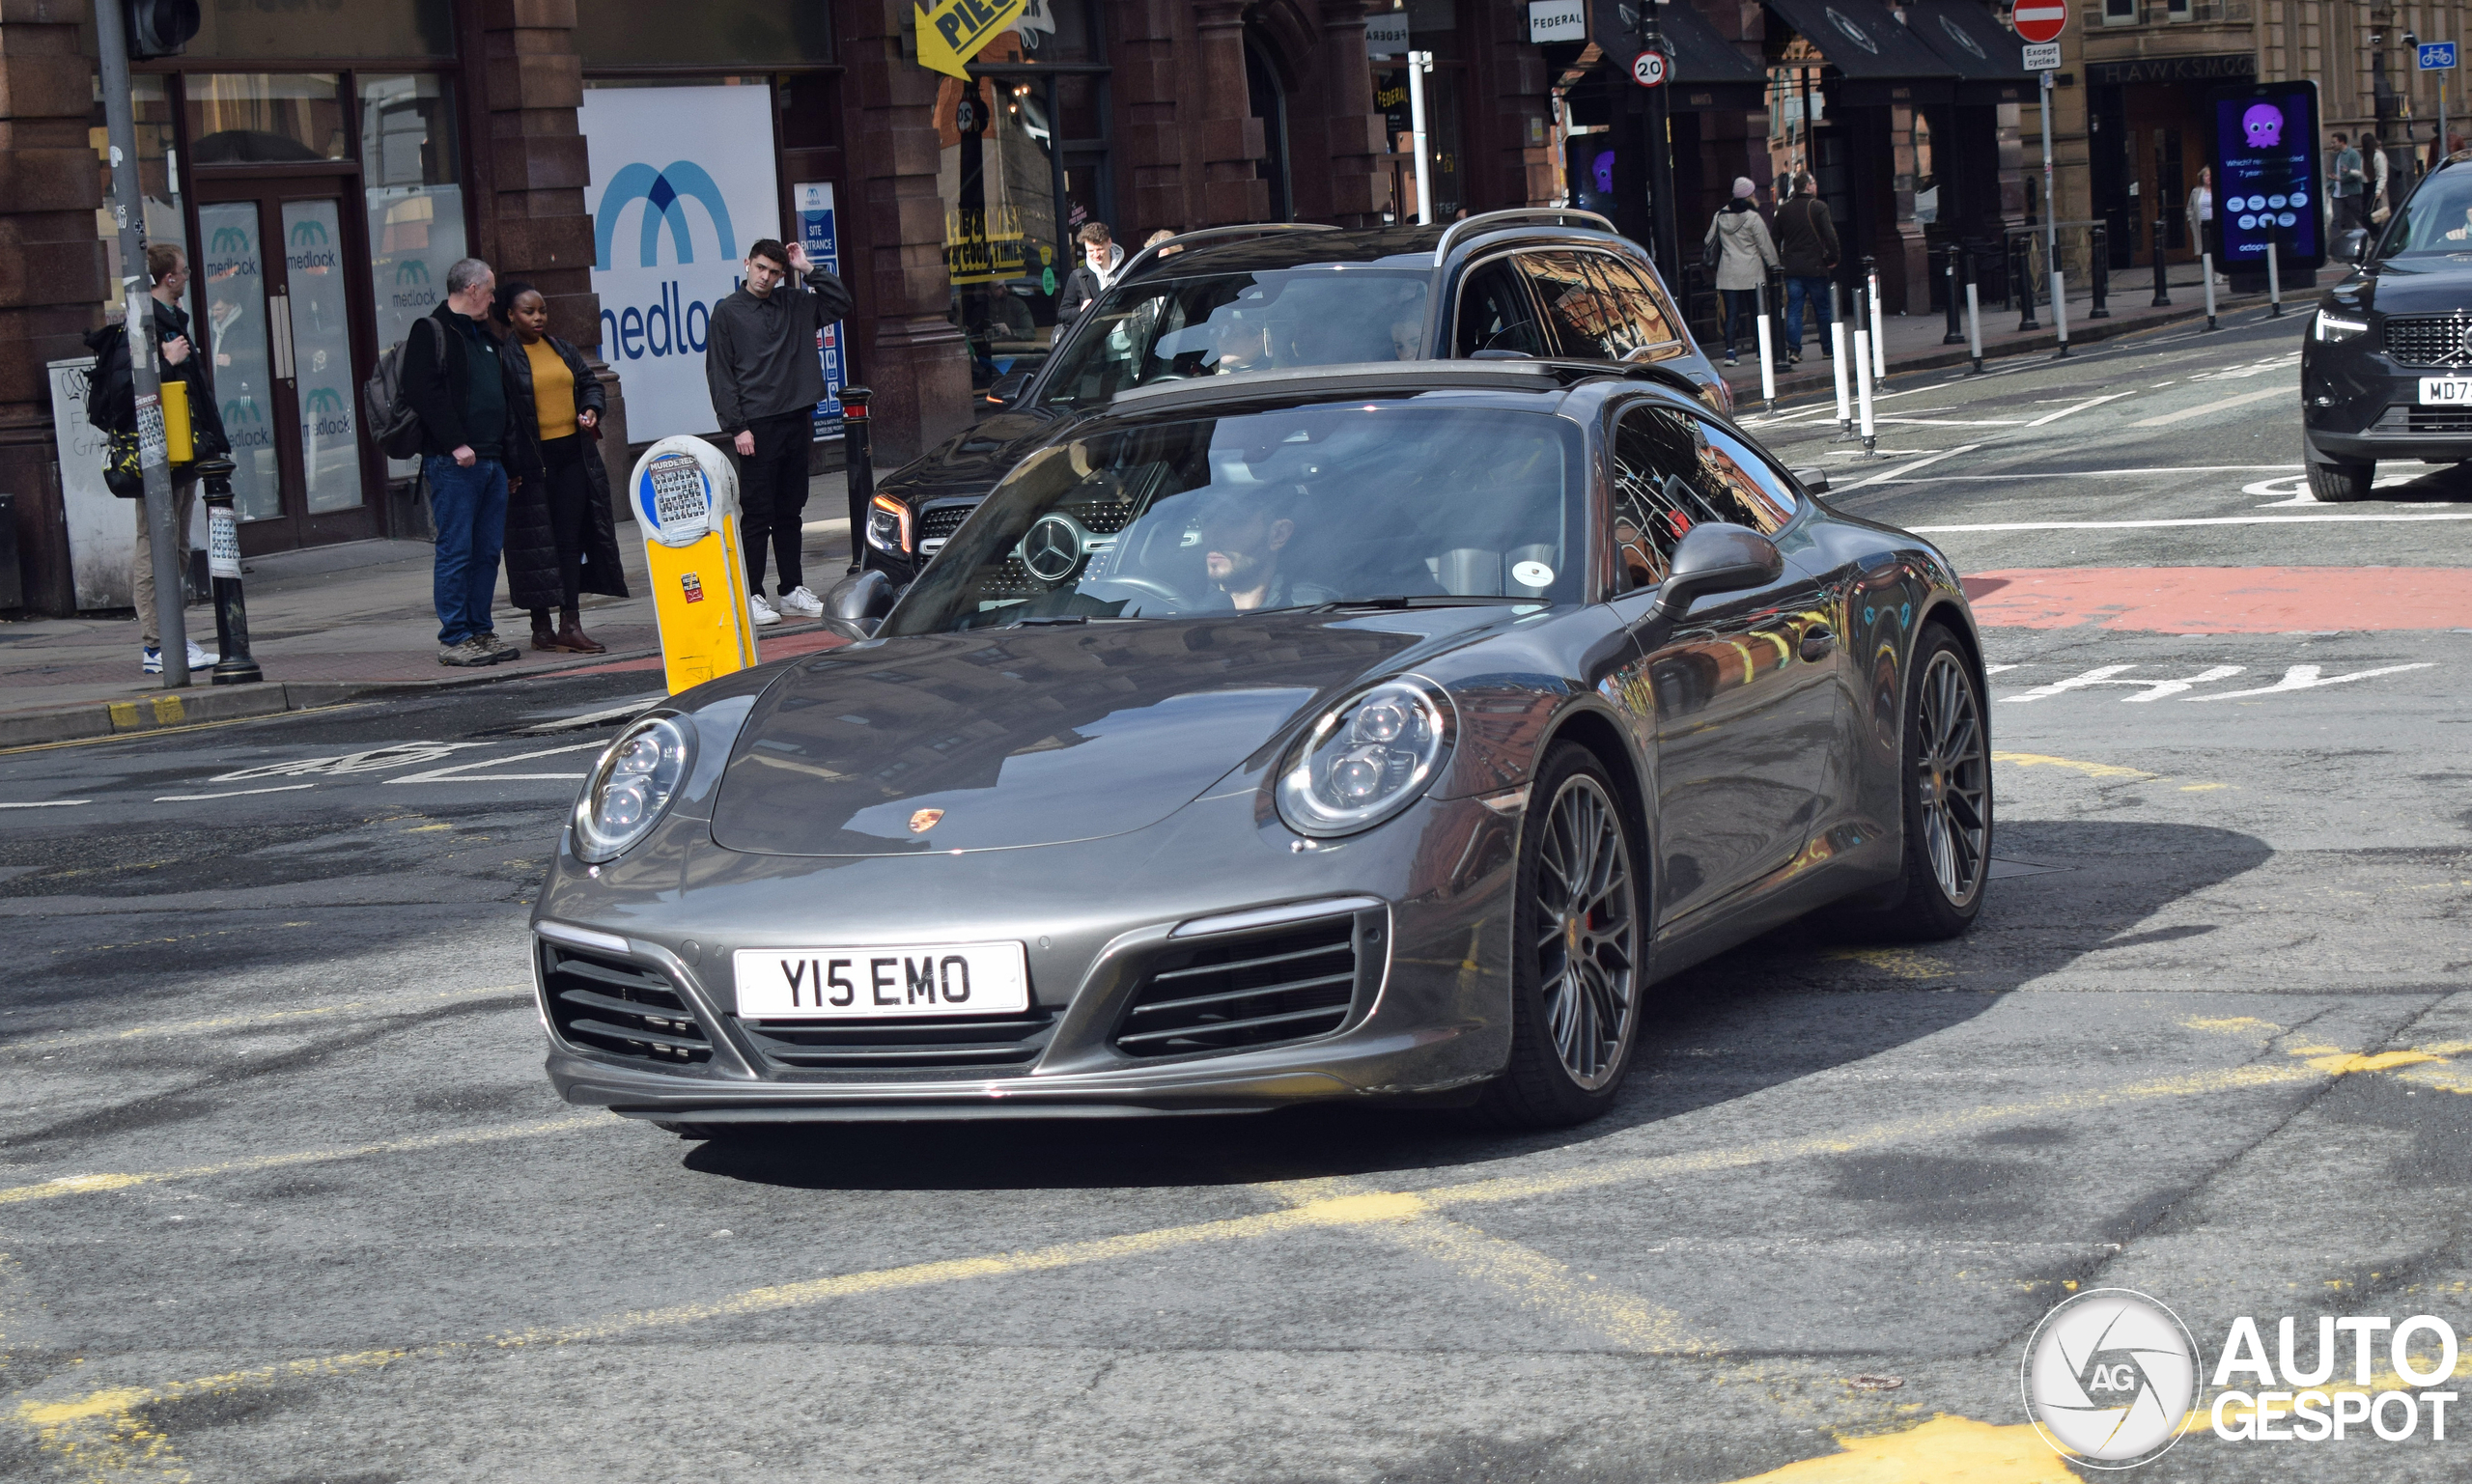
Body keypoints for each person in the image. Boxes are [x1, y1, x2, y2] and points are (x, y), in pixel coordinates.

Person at [84, 243, 233, 675]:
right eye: (183, 271)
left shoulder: (170, 320)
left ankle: (171, 636)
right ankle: (157, 645)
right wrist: (165, 364)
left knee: (178, 549)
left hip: (182, 451)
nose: (187, 276)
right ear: (169, 278)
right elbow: (123, 397)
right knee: (156, 549)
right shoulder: (142, 325)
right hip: (155, 455)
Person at [705, 236, 856, 624]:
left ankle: (791, 589)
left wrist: (808, 269)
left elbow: (841, 303)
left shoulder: (794, 302)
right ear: (746, 264)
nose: (766, 277)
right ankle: (751, 593)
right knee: (757, 514)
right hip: (755, 424)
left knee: (791, 510)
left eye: (774, 272)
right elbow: (721, 374)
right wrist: (736, 427)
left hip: (795, 417)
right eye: (760, 268)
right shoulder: (727, 312)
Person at [493, 282, 632, 655]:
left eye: (542, 311)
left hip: (572, 456)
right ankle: (540, 627)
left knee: (569, 541)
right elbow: (503, 418)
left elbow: (589, 384)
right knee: (536, 544)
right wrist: (510, 466)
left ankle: (570, 623)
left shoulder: (561, 348)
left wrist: (590, 409)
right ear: (510, 315)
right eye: (528, 311)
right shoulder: (504, 358)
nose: (538, 317)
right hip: (531, 464)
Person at [401, 256, 525, 667]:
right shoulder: (432, 330)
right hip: (455, 463)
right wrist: (455, 443)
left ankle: (480, 630)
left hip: (491, 461)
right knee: (457, 550)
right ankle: (455, 636)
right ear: (471, 289)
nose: (492, 300)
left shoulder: (485, 335)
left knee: (488, 550)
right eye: (489, 291)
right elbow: (423, 392)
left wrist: (508, 460)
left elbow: (501, 397)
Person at [1703, 178, 1780, 368]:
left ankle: (1730, 353)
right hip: (1752, 273)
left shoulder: (1720, 216)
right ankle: (1761, 351)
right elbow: (1765, 245)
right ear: (1748, 196)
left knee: (1731, 315)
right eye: (1753, 193)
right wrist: (1774, 265)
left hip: (1728, 273)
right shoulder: (1753, 218)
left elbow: (1708, 240)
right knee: (1757, 313)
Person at [1772, 172, 1838, 366]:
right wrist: (1833, 258)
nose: (1816, 186)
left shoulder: (1784, 210)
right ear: (1808, 186)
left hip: (1792, 268)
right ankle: (1827, 349)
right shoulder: (1818, 207)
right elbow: (1830, 235)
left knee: (1794, 309)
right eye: (1814, 183)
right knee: (1823, 310)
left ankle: (1794, 350)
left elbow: (1775, 237)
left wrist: (1779, 261)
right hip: (1815, 266)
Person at [1055, 222, 1122, 322]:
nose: (1096, 254)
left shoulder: (1125, 270)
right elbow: (1063, 314)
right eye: (1090, 251)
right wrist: (1082, 310)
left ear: (1109, 243)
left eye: (1099, 249)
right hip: (1095, 335)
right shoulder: (1078, 277)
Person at [2331, 132, 2365, 235]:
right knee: (2336, 219)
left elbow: (2357, 173)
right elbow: (2336, 174)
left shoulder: (2353, 154)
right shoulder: (2338, 156)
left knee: (2357, 216)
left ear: (2341, 142)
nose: (2332, 145)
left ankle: (2373, 233)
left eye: (2334, 142)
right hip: (2337, 193)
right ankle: (2335, 242)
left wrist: (2341, 179)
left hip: (2351, 192)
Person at [2186, 166, 2217, 277]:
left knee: (2216, 249)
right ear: (2202, 178)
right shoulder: (2196, 191)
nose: (2209, 178)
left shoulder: (2219, 189)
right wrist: (2190, 220)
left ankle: (2218, 275)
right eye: (2206, 176)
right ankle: (2208, 276)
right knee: (2205, 251)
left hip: (2216, 225)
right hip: (2201, 225)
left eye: (2210, 176)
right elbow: (2189, 208)